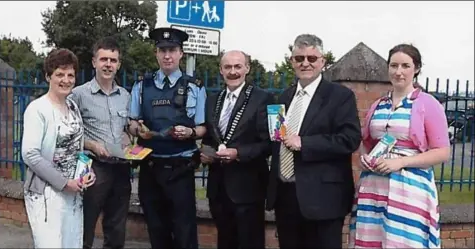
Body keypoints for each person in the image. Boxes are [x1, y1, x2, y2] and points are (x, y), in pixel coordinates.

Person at [349, 44, 450, 248]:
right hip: (373, 188)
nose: (399, 71)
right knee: (372, 241)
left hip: (410, 188)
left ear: (417, 68)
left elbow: (442, 152)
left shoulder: (428, 104)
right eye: (394, 65)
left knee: (404, 241)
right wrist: (366, 158)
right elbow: (366, 143)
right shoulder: (378, 105)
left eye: (405, 65)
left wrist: (400, 162)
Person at [265, 34, 362, 248]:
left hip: (323, 198)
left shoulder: (340, 96)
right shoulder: (284, 97)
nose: (305, 63)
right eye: (299, 58)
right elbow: (276, 140)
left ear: (322, 62)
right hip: (286, 196)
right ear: (292, 62)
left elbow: (350, 139)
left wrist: (305, 143)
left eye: (311, 58)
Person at [127, 27, 207, 249]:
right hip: (151, 168)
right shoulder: (142, 86)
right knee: (156, 229)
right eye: (162, 50)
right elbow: (133, 121)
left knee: (184, 231)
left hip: (180, 168)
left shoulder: (194, 87)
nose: (167, 55)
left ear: (181, 53)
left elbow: (202, 128)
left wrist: (190, 132)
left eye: (172, 50)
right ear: (156, 53)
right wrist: (137, 130)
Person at [22, 48, 95, 248]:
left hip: (73, 194)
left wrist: (87, 172)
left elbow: (76, 148)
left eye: (70, 75)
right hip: (46, 195)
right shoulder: (38, 109)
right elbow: (30, 155)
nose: (66, 80)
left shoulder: (72, 107)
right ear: (48, 76)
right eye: (59, 74)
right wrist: (64, 183)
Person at [200, 50, 273, 249]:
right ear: (221, 70)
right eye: (228, 67)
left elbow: (269, 143)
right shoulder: (212, 100)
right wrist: (205, 153)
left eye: (237, 66)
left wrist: (238, 153)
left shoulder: (263, 98)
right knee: (225, 241)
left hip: (248, 188)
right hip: (218, 188)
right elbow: (210, 137)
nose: (233, 72)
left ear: (247, 69)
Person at [69, 37, 132, 249]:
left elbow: (126, 129)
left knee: (117, 228)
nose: (108, 64)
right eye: (103, 59)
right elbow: (70, 132)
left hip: (121, 168)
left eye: (113, 60)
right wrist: (92, 145)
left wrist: (130, 137)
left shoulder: (125, 96)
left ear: (119, 64)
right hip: (93, 167)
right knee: (85, 224)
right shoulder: (78, 95)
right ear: (94, 62)